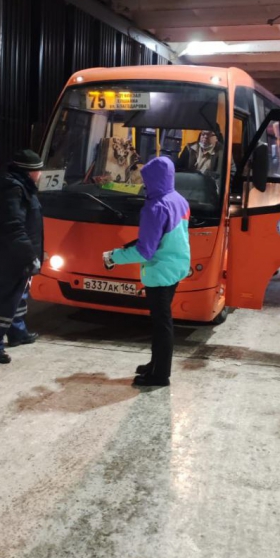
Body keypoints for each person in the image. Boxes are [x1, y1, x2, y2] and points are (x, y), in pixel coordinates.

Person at [103, 157, 190, 388]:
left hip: (159, 272)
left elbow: (145, 252)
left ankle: (160, 375)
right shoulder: (179, 200)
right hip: (175, 267)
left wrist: (113, 257)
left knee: (162, 325)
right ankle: (156, 364)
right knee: (162, 322)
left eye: (145, 179)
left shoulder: (155, 207)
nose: (143, 184)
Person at [0, 149, 44, 364]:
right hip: (9, 258)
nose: (41, 174)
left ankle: (18, 333)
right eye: (38, 170)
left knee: (19, 297)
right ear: (29, 172)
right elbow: (14, 227)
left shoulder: (21, 187)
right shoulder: (12, 189)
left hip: (16, 256)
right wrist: (30, 255)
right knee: (3, 301)